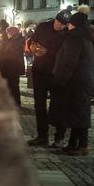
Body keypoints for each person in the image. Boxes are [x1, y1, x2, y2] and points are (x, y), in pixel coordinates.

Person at [48, 10, 94, 156]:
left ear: (74, 24)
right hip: (82, 81)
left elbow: (69, 63)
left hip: (74, 81)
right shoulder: (85, 38)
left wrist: (60, 81)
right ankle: (73, 144)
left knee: (79, 114)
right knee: (78, 114)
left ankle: (82, 146)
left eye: (70, 23)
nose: (69, 26)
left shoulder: (75, 39)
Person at [26, 9, 71, 147]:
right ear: (55, 19)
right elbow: (31, 40)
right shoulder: (43, 27)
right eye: (59, 23)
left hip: (55, 73)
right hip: (39, 71)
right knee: (39, 105)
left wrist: (48, 52)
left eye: (64, 24)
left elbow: (65, 53)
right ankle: (42, 136)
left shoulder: (67, 34)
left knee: (58, 105)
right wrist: (32, 46)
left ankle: (59, 136)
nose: (60, 26)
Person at [0, 25, 25, 106]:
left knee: (13, 86)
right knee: (12, 85)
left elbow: (9, 55)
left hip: (12, 68)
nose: (7, 35)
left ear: (12, 33)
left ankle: (15, 103)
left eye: (8, 33)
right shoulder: (14, 40)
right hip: (11, 68)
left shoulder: (16, 42)